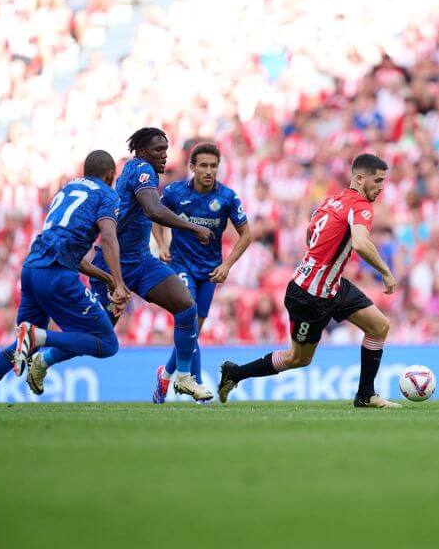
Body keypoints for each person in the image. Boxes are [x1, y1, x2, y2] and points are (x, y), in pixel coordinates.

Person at [29, 128, 216, 401]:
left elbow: (149, 214)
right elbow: (153, 210)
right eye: (157, 150)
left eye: (166, 149)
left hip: (140, 261)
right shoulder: (141, 168)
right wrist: (192, 228)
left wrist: (161, 244)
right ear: (141, 151)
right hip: (111, 264)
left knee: (186, 306)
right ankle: (43, 360)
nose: (163, 155)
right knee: (97, 334)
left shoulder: (142, 173)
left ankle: (184, 378)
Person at [0, 150, 130, 410]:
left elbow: (67, 249)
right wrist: (119, 283)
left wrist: (106, 278)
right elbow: (109, 239)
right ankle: (39, 338)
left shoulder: (66, 190)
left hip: (31, 270)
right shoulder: (107, 194)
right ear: (111, 175)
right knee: (107, 343)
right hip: (57, 275)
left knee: (22, 347)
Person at [216, 153, 400, 409]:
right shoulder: (361, 206)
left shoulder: (331, 200)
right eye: (377, 181)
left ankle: (366, 395)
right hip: (309, 296)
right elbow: (359, 243)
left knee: (379, 326)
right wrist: (386, 271)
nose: (381, 187)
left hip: (332, 286)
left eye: (383, 181)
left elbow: (310, 232)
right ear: (359, 178)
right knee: (298, 359)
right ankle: (235, 373)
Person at [150, 142, 252, 403]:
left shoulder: (227, 197)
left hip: (209, 272)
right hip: (181, 265)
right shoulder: (173, 192)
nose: (209, 171)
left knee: (193, 329)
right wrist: (162, 245)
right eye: (203, 165)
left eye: (214, 166)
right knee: (190, 316)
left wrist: (227, 265)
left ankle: (167, 373)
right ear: (192, 167)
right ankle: (195, 384)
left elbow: (246, 235)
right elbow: (155, 217)